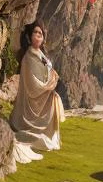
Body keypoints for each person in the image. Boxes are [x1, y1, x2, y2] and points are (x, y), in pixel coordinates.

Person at [9, 20, 65, 158]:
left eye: (41, 33)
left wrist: (51, 79)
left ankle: (48, 135)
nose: (39, 35)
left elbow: (47, 71)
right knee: (53, 98)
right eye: (36, 32)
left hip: (44, 93)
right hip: (34, 97)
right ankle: (35, 131)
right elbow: (32, 83)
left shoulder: (41, 54)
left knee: (55, 99)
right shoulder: (28, 57)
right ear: (30, 36)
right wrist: (50, 84)